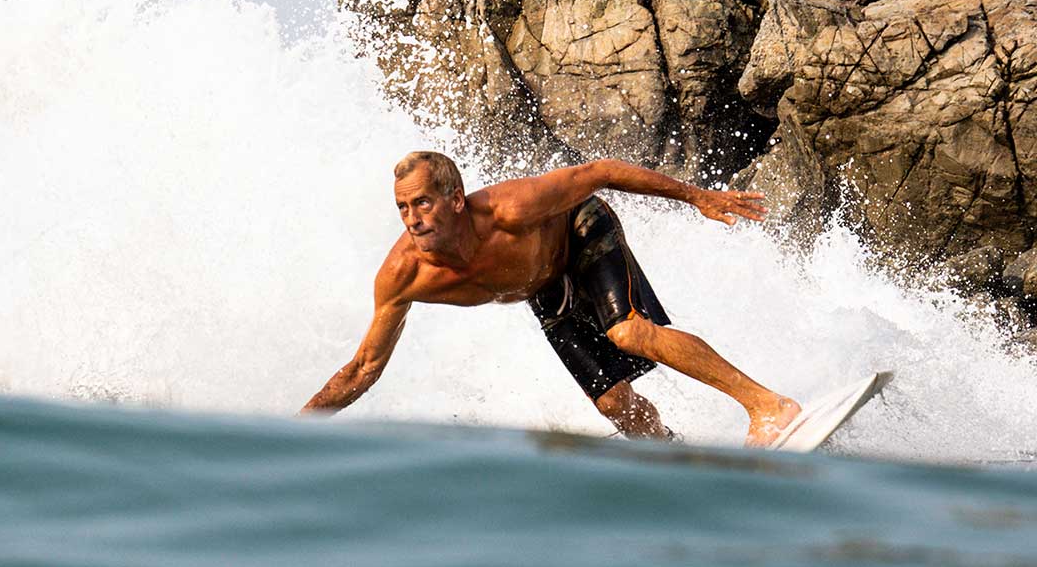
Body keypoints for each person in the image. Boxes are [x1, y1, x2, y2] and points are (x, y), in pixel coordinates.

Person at [299, 150, 800, 446]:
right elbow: (364, 367)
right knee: (613, 403)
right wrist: (299, 431)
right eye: (403, 207)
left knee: (627, 331)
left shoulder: (511, 210)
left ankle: (768, 406)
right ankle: (670, 456)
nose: (412, 218)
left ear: (455, 200)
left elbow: (601, 170)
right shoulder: (404, 276)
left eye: (423, 203)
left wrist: (699, 197)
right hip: (543, 285)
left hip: (579, 230)